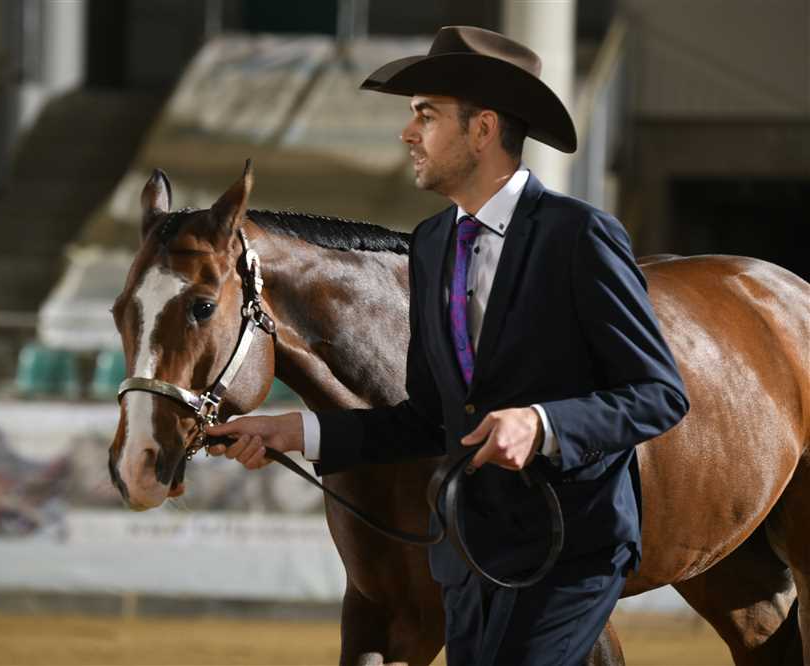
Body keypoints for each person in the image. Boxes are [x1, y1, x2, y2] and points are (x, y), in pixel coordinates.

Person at [206, 26, 689, 666]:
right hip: (465, 552)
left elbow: (659, 395)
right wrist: (296, 432)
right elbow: (426, 419)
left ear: (482, 129)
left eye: (426, 116)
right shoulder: (432, 244)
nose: (408, 133)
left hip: (568, 549)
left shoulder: (580, 236)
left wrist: (542, 424)